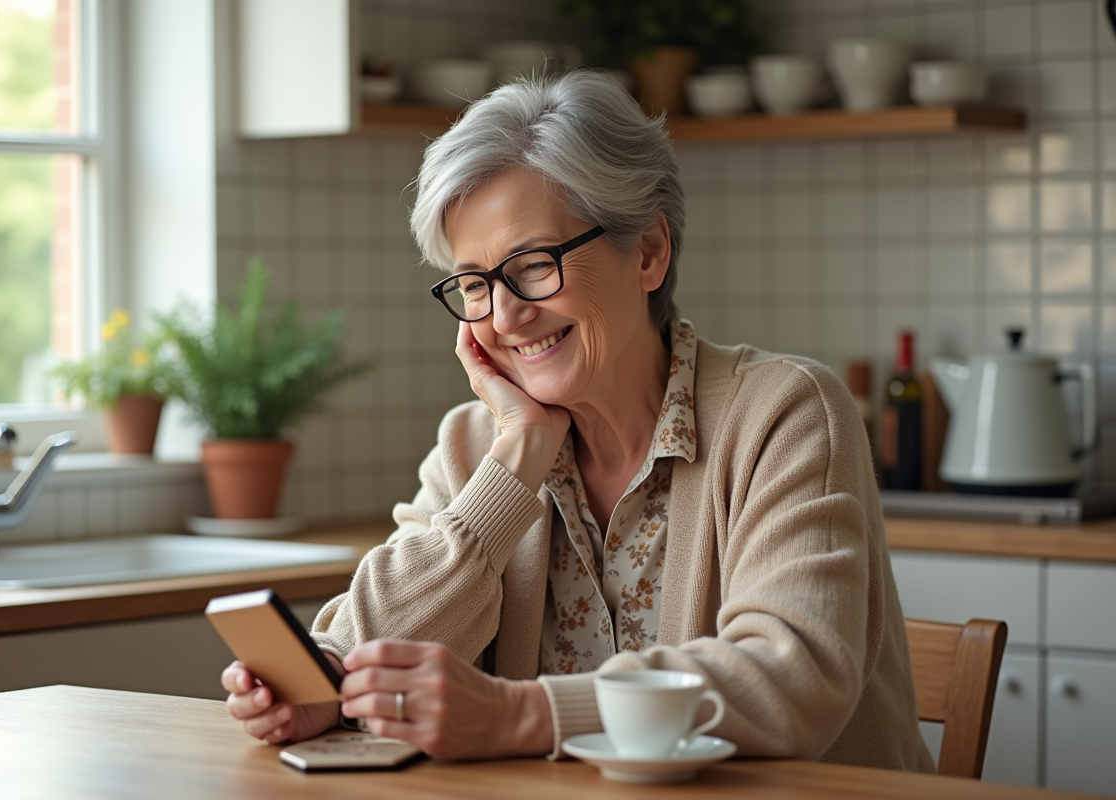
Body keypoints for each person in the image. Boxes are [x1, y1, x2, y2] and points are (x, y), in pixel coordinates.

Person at [223, 70, 935, 772]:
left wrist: (518, 715)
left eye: (532, 265)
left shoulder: (786, 413)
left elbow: (793, 679)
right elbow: (361, 646)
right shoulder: (479, 444)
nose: (504, 316)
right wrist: (328, 689)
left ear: (649, 252)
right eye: (474, 284)